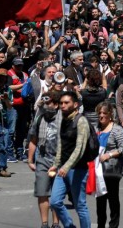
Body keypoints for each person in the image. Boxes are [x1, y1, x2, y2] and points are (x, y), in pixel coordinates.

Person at [48, 91, 91, 228]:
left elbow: (80, 148)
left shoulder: (81, 121)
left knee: (80, 206)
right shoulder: (63, 120)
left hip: (78, 169)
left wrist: (67, 167)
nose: (63, 105)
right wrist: (56, 164)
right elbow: (61, 144)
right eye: (61, 103)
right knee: (55, 201)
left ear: (76, 104)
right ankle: (69, 226)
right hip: (63, 169)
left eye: (67, 103)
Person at [28, 91, 62, 228]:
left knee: (56, 196)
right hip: (42, 158)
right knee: (42, 192)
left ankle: (55, 223)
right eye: (44, 103)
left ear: (56, 104)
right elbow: (33, 140)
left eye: (48, 103)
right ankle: (44, 223)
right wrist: (30, 160)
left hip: (59, 160)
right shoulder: (39, 118)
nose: (46, 106)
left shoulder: (64, 118)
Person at [95, 102, 123, 228]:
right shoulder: (96, 129)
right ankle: (100, 225)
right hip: (98, 171)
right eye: (99, 113)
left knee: (113, 199)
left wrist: (109, 155)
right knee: (100, 201)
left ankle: (114, 225)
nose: (101, 116)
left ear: (110, 115)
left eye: (104, 113)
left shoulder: (117, 129)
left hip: (111, 170)